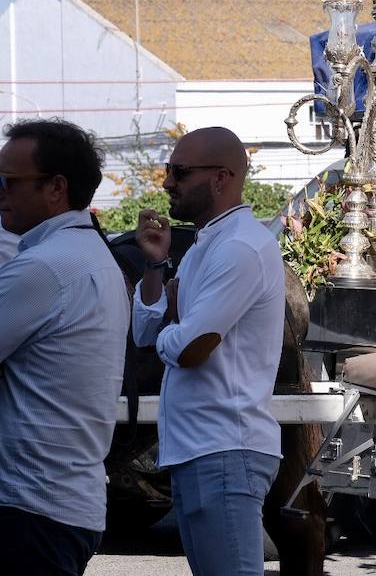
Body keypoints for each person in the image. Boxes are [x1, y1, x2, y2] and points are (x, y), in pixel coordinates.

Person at [132, 127, 285, 576]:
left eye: (179, 172)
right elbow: (145, 331)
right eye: (168, 171)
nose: (167, 184)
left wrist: (176, 326)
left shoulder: (238, 246)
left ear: (221, 178)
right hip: (202, 449)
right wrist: (155, 265)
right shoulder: (208, 243)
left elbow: (193, 347)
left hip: (225, 450)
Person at [0, 120, 129, 575]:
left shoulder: (45, 266)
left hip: (30, 508)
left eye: (9, 182)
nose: (1, 193)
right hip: (61, 503)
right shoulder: (89, 255)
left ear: (56, 187)